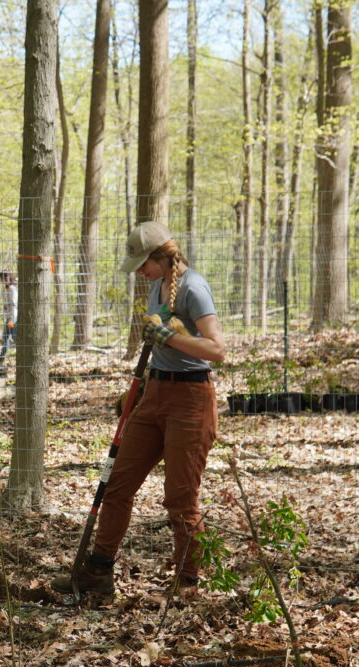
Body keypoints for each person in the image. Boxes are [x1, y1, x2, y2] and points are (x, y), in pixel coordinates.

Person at [53, 220, 225, 601]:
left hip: (191, 401)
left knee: (180, 498)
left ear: (160, 257)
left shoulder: (194, 287)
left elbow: (217, 349)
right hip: (154, 393)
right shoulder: (157, 287)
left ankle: (187, 584)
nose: (141, 273)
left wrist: (171, 337)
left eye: (143, 264)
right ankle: (98, 572)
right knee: (116, 483)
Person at [0, 271, 18, 358]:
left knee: (14, 337)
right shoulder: (7, 289)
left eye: (5, 278)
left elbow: (14, 304)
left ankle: (21, 353)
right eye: (2, 279)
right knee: (5, 337)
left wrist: (12, 319)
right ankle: (2, 356)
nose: (4, 280)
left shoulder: (12, 289)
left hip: (13, 317)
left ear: (10, 278)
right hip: (9, 316)